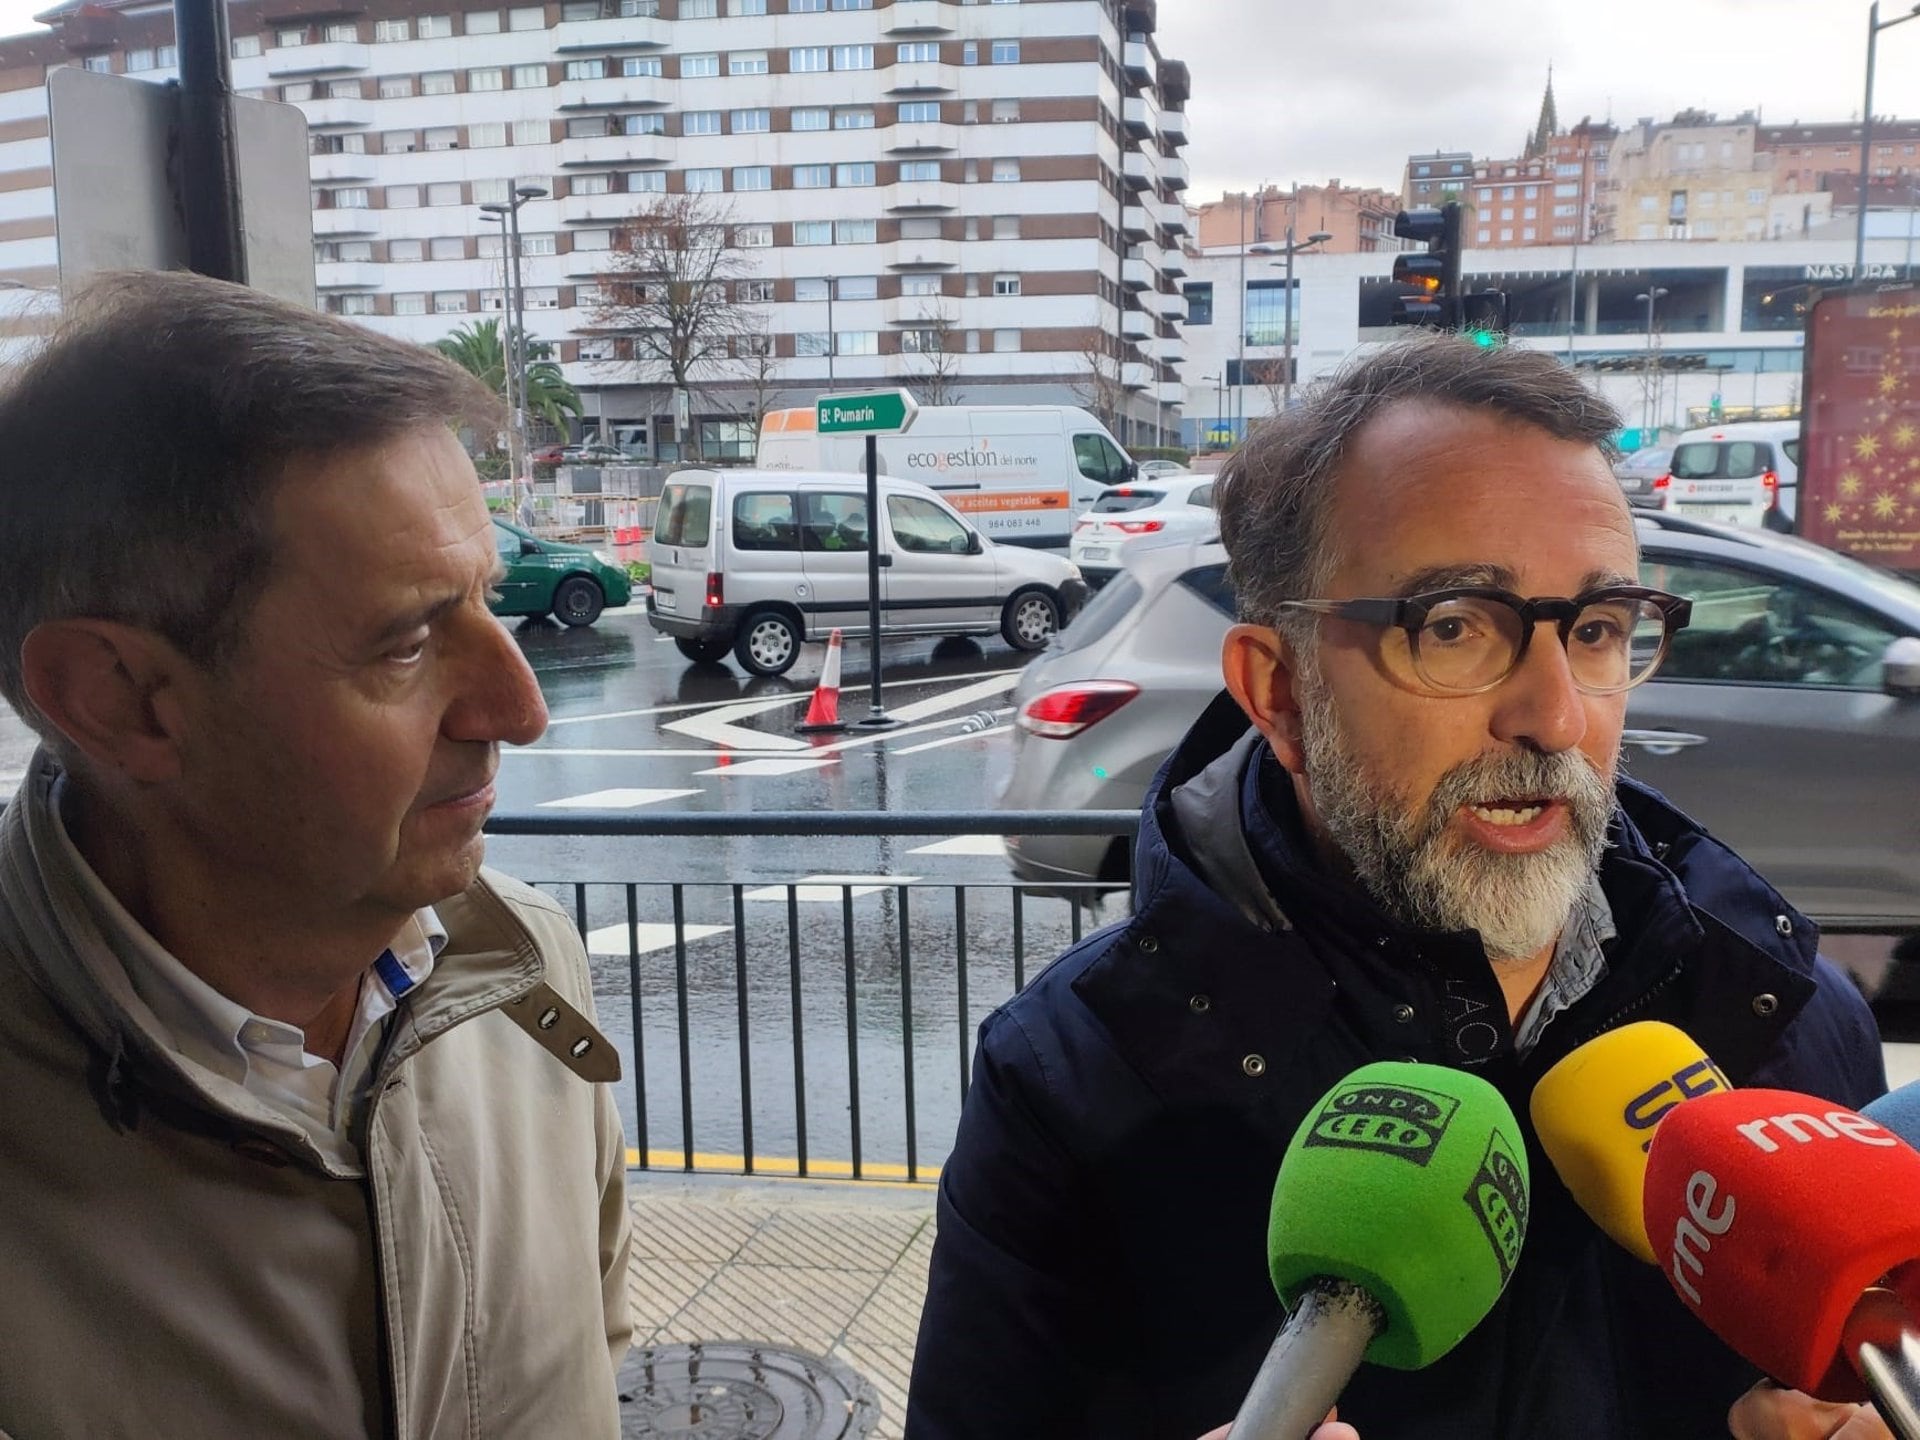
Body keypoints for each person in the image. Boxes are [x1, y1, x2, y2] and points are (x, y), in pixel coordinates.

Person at [907, 334, 1887, 1440]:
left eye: (1600, 629)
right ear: (1277, 693)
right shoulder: (1080, 1082)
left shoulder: (1786, 1026)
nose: (1556, 717)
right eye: (1457, 628)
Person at [0, 272, 632, 1437]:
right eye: (404, 644)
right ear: (120, 699)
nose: (519, 705)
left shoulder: (526, 973)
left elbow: (594, 1357)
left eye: (488, 601)